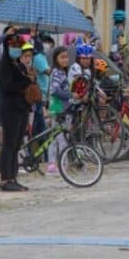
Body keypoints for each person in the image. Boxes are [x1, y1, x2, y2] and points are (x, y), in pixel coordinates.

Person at [0, 36, 33, 192]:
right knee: (9, 145)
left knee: (17, 145)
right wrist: (26, 81)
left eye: (19, 46)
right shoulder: (4, 65)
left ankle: (13, 177)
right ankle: (5, 180)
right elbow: (9, 86)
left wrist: (30, 78)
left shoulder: (18, 64)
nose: (17, 48)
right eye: (14, 46)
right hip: (10, 109)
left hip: (21, 108)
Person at [46, 47, 73, 175]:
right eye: (62, 57)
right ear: (56, 59)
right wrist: (70, 95)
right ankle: (58, 164)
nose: (65, 59)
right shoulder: (57, 72)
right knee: (60, 137)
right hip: (58, 107)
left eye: (66, 57)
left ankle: (56, 163)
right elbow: (54, 90)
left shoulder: (61, 72)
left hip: (60, 106)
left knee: (57, 136)